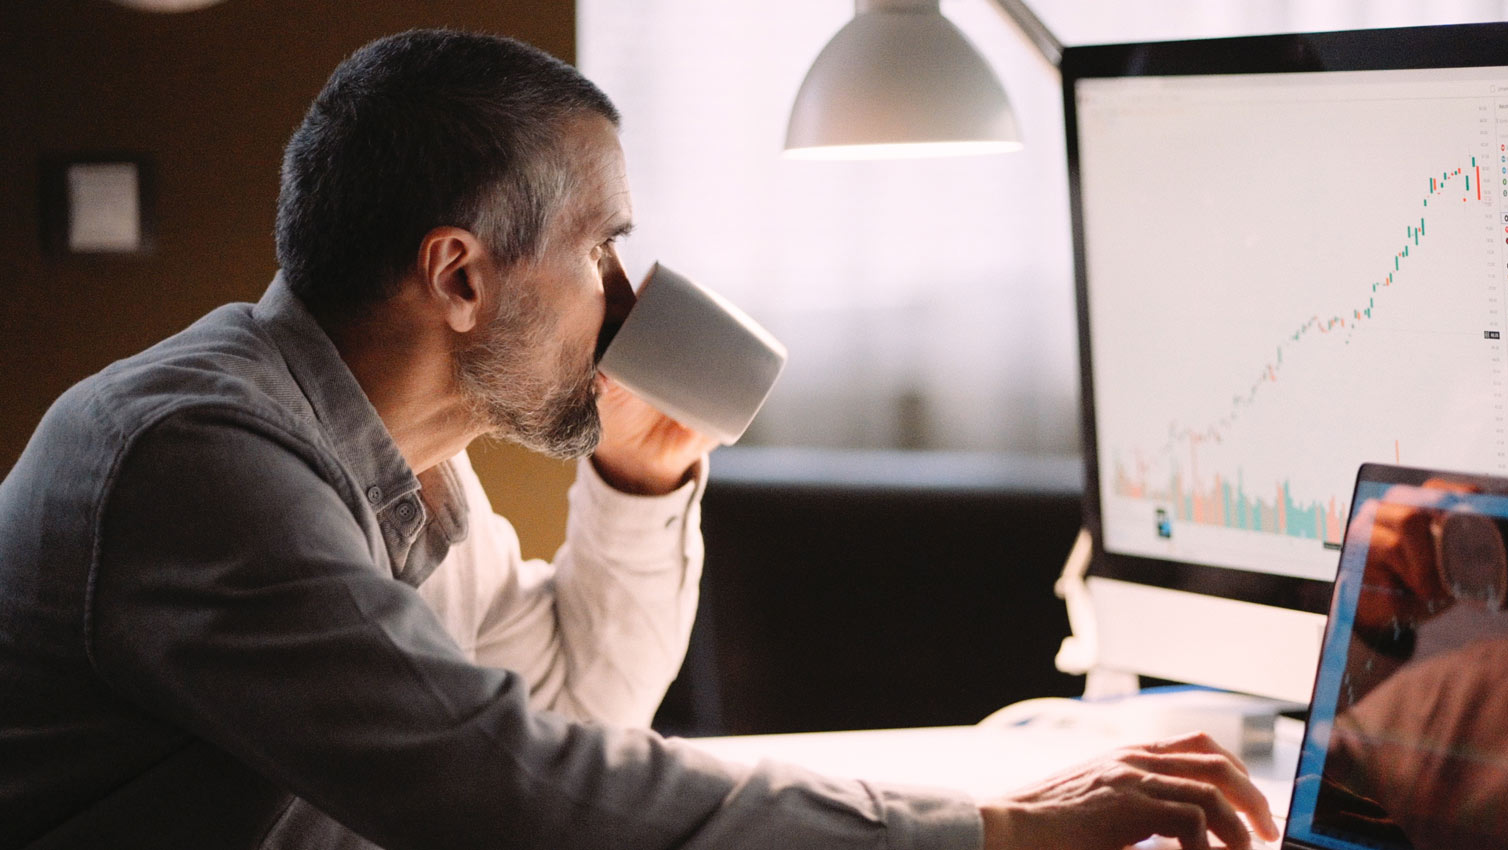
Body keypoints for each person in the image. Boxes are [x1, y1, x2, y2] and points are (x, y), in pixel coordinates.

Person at [0, 29, 1274, 850]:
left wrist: (638, 469)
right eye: (602, 246)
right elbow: (508, 791)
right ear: (459, 275)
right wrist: (988, 832)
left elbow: (565, 716)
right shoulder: (200, 462)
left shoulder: (413, 469)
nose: (627, 297)